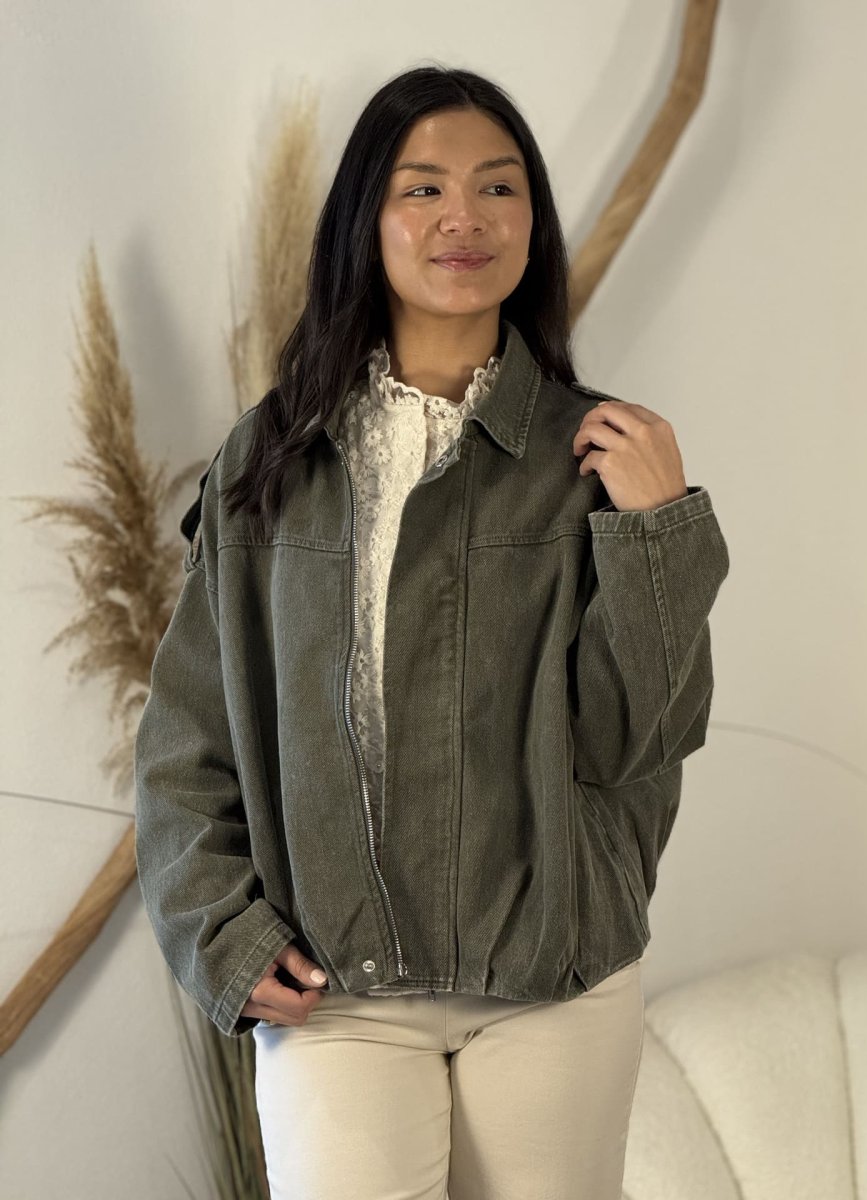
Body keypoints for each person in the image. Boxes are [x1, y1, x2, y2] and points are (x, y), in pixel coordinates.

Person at [134, 63, 730, 1200]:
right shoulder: (270, 460)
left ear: (533, 225)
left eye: (500, 187)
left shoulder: (599, 457)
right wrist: (221, 934)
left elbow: (635, 742)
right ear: (366, 222)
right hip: (334, 994)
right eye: (423, 189)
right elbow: (185, 738)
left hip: (553, 985)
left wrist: (657, 530)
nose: (466, 217)